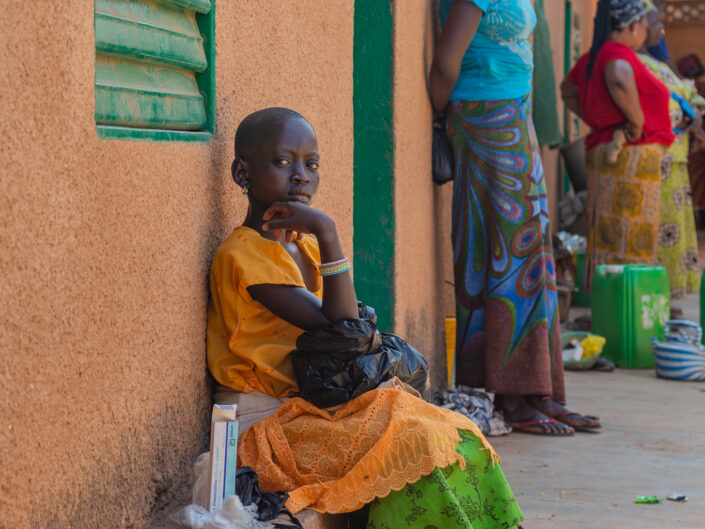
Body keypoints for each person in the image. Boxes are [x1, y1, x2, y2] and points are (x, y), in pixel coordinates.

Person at [206, 107, 524, 528]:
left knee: (455, 432)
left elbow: (346, 326)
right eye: (283, 162)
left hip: (315, 411)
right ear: (242, 174)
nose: (301, 175)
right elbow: (339, 326)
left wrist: (321, 239)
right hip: (266, 424)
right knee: (415, 442)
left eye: (311, 164)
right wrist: (329, 230)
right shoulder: (242, 254)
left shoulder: (306, 249)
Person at [429, 0, 599, 435]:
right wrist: (442, 116)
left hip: (515, 113)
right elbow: (446, 63)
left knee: (533, 250)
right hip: (484, 116)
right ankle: (508, 393)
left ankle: (539, 390)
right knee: (505, 252)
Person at [561, 0, 675, 291]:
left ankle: (607, 304)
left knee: (607, 234)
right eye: (645, 27)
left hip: (606, 151)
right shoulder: (617, 53)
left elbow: (567, 90)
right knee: (632, 235)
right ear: (633, 25)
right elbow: (619, 77)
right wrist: (635, 123)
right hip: (630, 157)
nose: (645, 34)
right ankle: (631, 305)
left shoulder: (592, 57)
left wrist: (597, 119)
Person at [637, 1, 705, 298]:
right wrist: (688, 117)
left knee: (673, 231)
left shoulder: (660, 67)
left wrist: (694, 114)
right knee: (659, 233)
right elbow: (672, 107)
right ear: (637, 25)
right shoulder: (635, 64)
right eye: (656, 23)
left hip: (673, 159)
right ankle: (659, 298)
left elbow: (690, 99)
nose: (661, 30)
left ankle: (670, 299)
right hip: (655, 159)